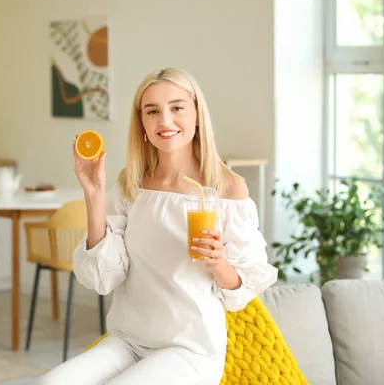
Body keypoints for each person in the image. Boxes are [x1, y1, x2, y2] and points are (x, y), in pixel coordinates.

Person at [38, 68, 278, 385]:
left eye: (177, 107)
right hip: (128, 341)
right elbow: (104, 278)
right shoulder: (132, 186)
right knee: (51, 383)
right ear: (142, 123)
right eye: (152, 111)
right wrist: (94, 194)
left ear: (196, 114)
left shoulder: (227, 190)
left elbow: (246, 283)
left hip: (190, 349)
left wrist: (218, 263)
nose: (165, 121)